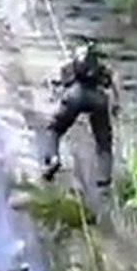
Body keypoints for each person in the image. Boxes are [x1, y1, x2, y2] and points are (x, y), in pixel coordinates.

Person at [42, 41, 120, 187]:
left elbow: (60, 83)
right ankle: (104, 176)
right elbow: (113, 81)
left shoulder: (70, 66)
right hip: (98, 100)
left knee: (54, 129)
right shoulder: (102, 69)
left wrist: (54, 91)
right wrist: (116, 103)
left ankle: (53, 159)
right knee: (104, 141)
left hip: (74, 98)